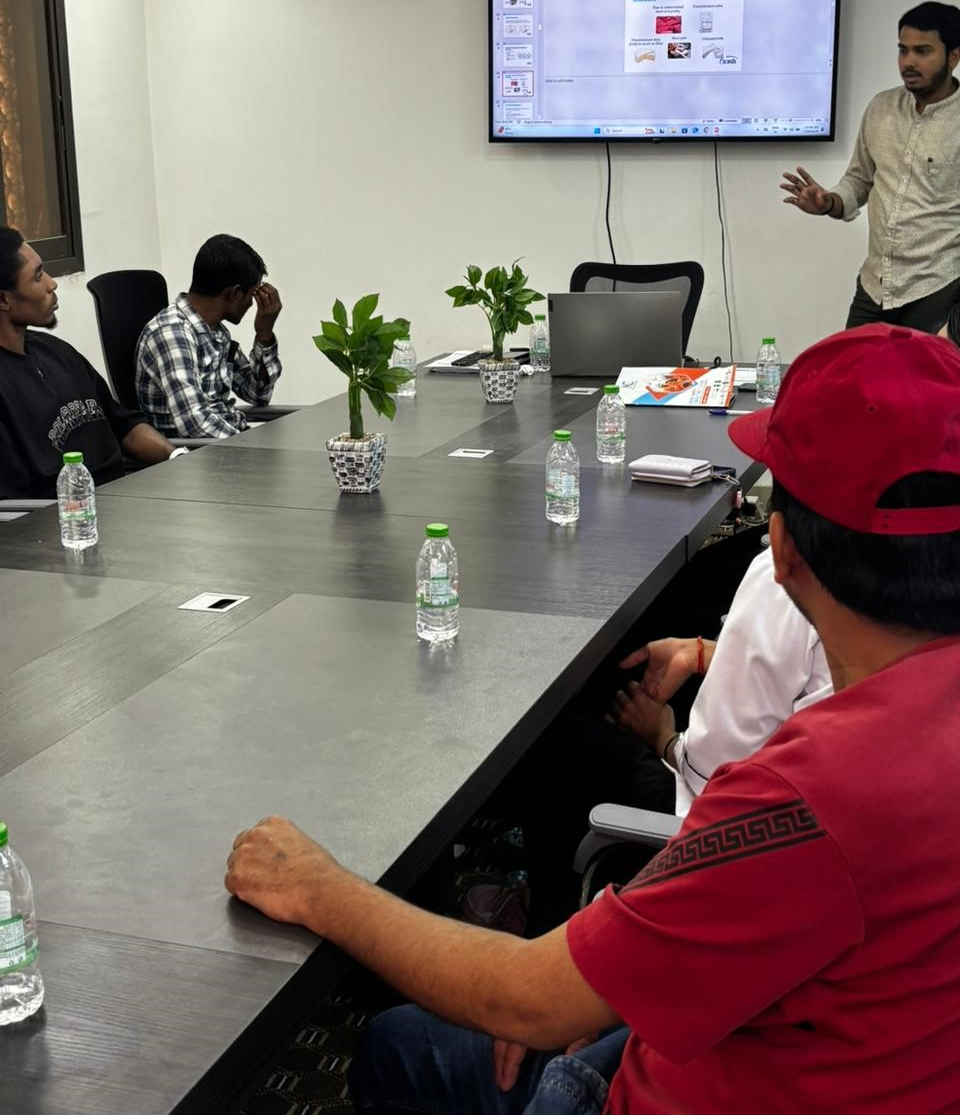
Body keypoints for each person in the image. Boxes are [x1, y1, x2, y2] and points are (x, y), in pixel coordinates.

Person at [226, 323, 960, 1114]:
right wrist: (613, 978)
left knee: (395, 1047)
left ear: (780, 551)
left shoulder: (804, 797)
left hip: (694, 1088)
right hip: (818, 1039)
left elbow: (525, 1000)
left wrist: (317, 887)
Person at [610, 545, 831, 817]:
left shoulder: (788, 569)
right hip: (836, 803)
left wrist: (660, 735)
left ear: (776, 530)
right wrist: (714, 654)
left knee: (576, 738)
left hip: (745, 819)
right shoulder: (872, 568)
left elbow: (715, 772)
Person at [781, 1, 960, 332]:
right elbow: (859, 179)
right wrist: (829, 201)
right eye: (903, 50)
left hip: (938, 287)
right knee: (851, 366)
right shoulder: (881, 107)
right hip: (876, 284)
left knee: (919, 370)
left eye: (922, 51)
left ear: (953, 57)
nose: (908, 61)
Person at [0, 227, 176, 499]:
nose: (52, 284)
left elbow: (124, 427)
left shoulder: (56, 351)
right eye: (37, 277)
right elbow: (13, 502)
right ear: (3, 299)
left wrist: (177, 457)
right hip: (66, 518)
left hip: (128, 501)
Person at [135, 233, 283, 439]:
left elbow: (258, 395)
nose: (251, 304)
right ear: (234, 293)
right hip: (197, 453)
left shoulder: (216, 332)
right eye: (251, 296)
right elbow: (194, 424)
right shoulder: (173, 334)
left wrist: (264, 335)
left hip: (228, 442)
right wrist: (252, 448)